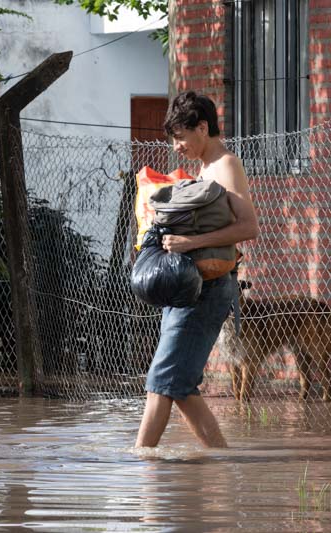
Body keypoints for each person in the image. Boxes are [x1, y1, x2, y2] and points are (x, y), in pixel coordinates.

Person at [135, 91, 260, 448]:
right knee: (180, 384)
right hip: (188, 286)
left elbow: (248, 227)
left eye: (180, 137)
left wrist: (190, 244)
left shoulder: (226, 165)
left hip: (209, 289)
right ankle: (223, 460)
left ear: (202, 127)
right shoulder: (204, 168)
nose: (176, 146)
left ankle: (140, 462)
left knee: (162, 378)